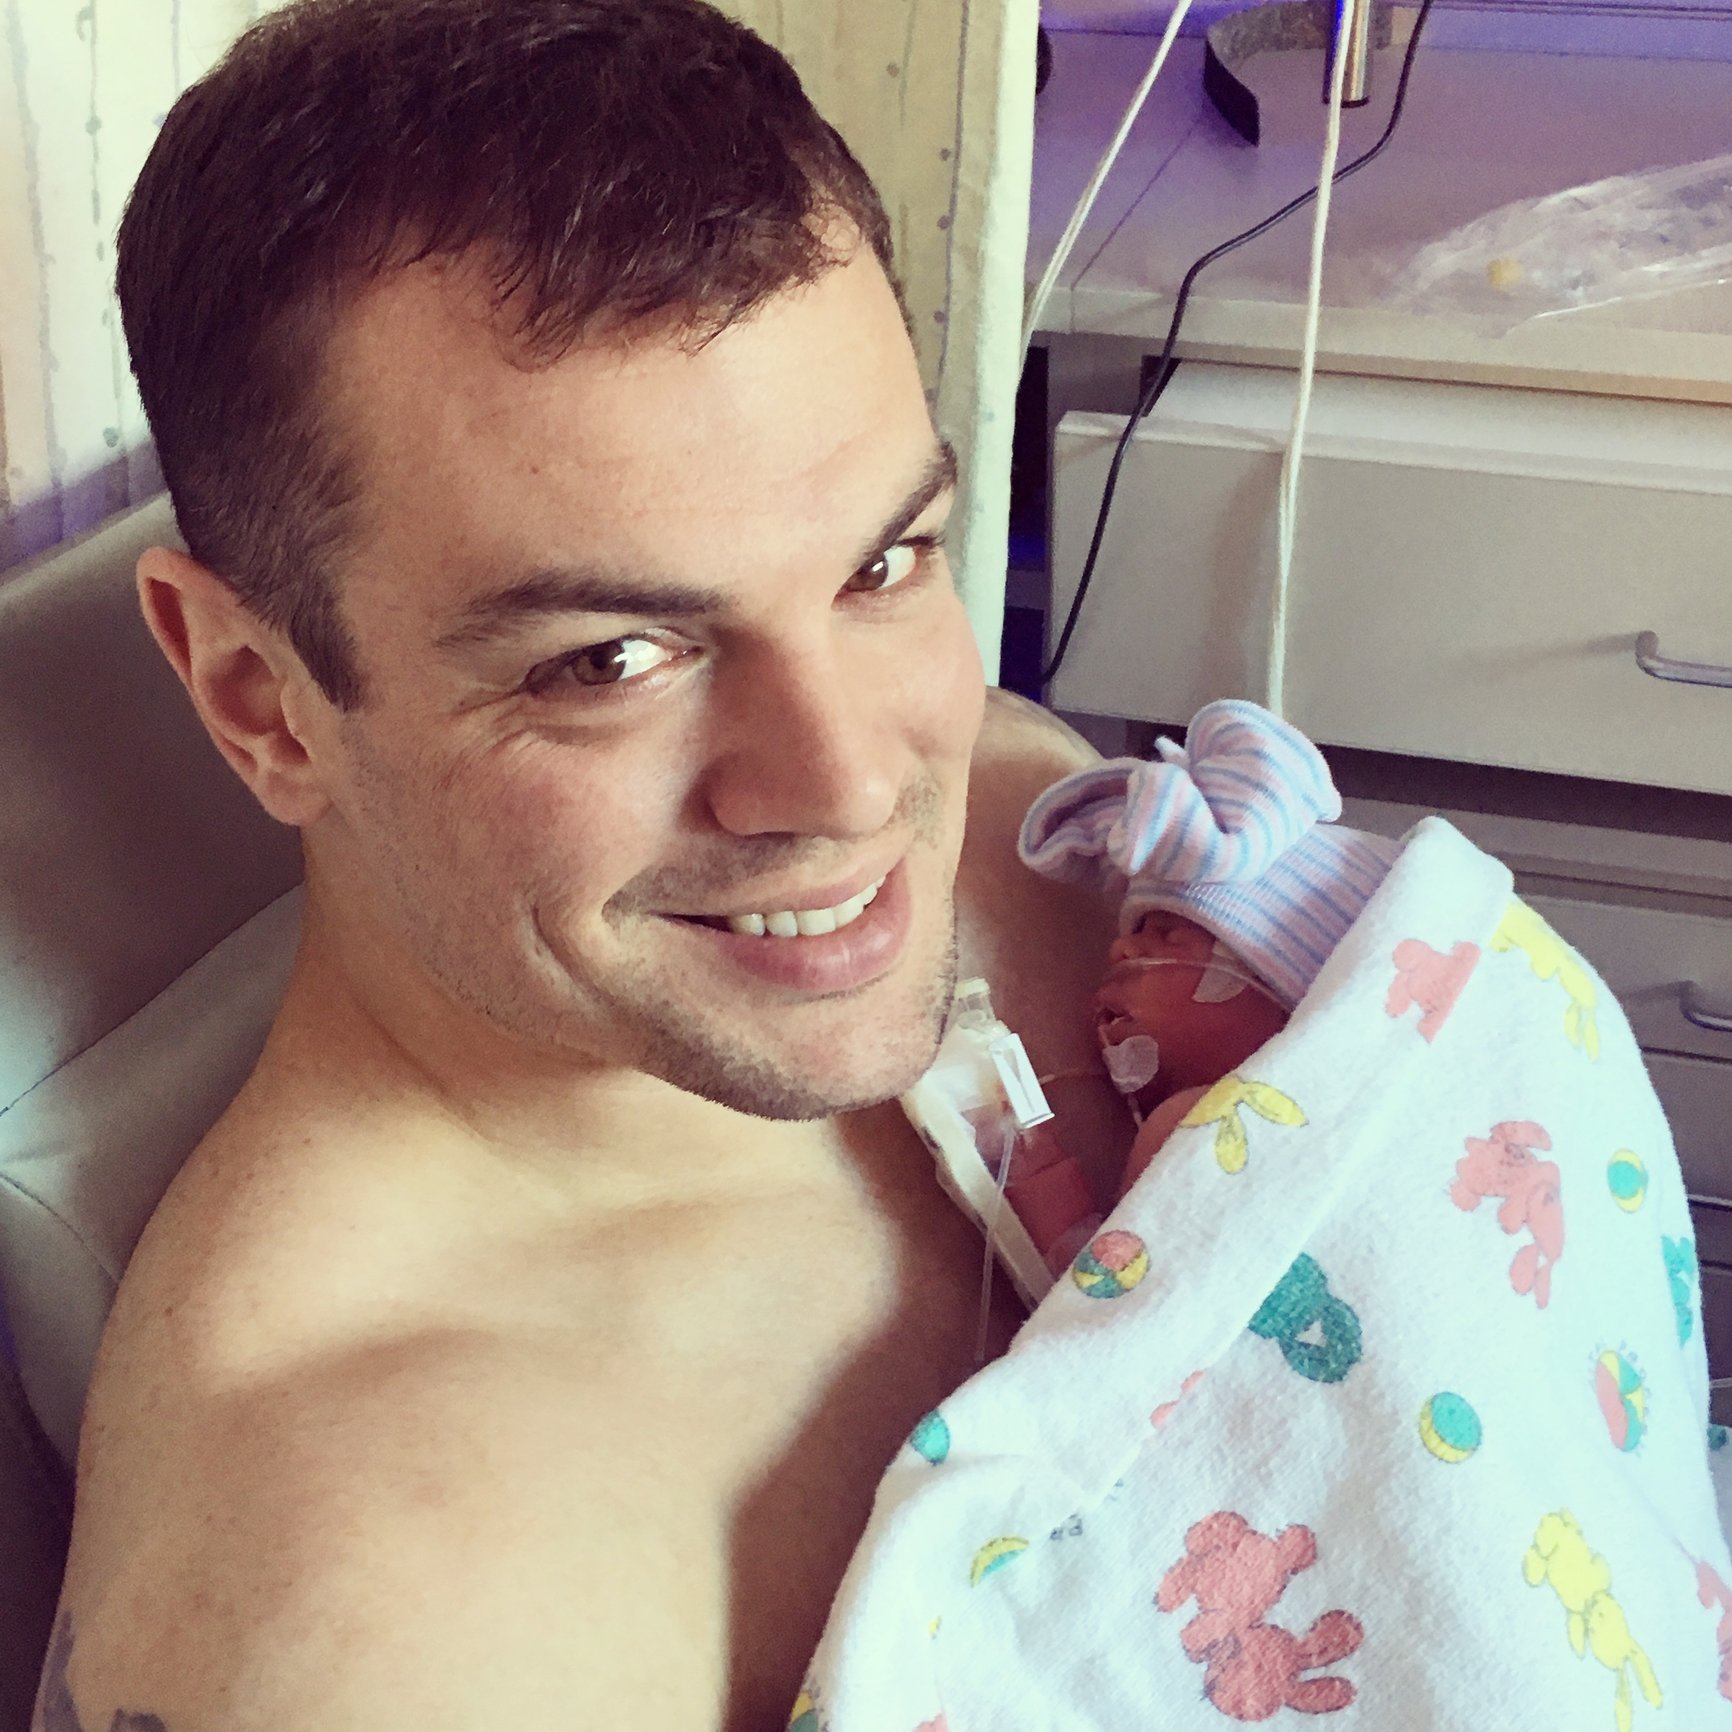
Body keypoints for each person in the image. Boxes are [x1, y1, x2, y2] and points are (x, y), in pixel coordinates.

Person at [41, 3, 1132, 1727]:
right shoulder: (389, 1613)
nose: (857, 785)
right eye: (610, 661)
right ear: (260, 697)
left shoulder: (1028, 823)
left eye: (883, 564)